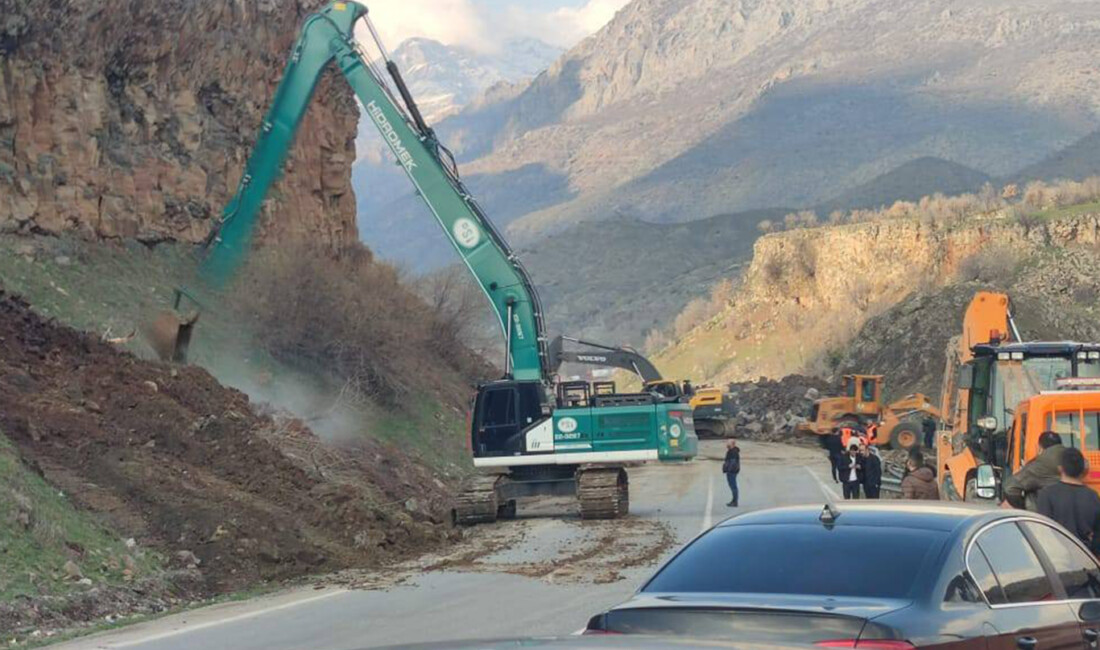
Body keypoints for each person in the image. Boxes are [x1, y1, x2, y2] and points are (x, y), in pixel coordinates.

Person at [1037, 447, 1100, 554]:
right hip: (1086, 558)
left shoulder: (1047, 494)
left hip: (1057, 560)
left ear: (1060, 469)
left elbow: (1043, 532)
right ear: (1083, 469)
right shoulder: (1093, 497)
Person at [1002, 431, 1065, 511]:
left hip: (1044, 517)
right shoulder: (1075, 457)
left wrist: (1023, 508)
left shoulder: (1040, 463)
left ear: (1040, 447)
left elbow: (1010, 487)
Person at [722, 438, 741, 507]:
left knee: (733, 486)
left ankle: (735, 501)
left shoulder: (733, 452)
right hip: (732, 471)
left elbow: (732, 462)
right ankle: (734, 501)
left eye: (728, 443)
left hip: (732, 471)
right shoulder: (732, 451)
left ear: (732, 444)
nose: (727, 444)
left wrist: (728, 469)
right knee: (733, 486)